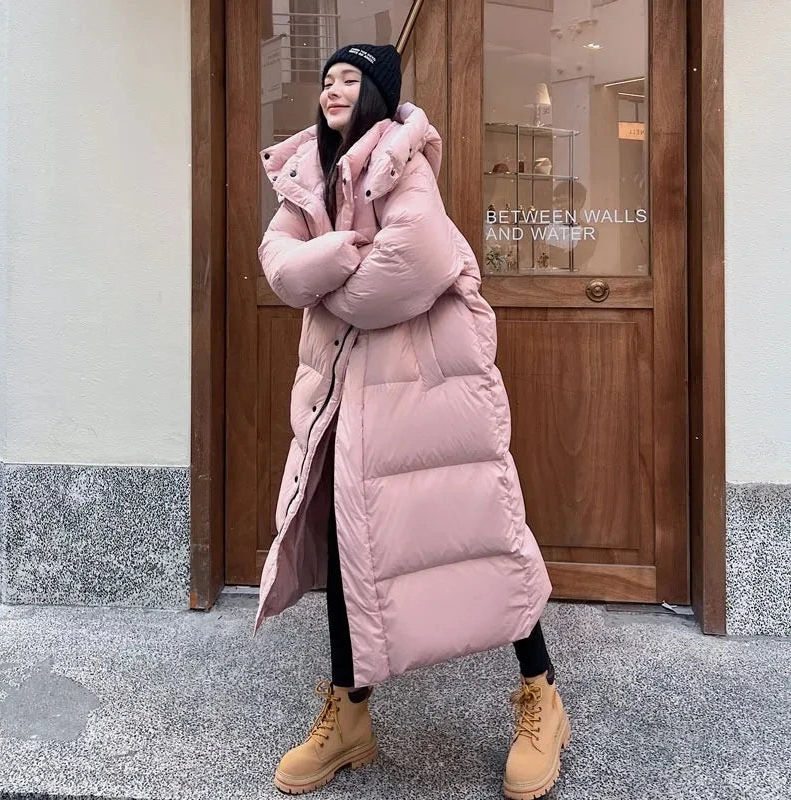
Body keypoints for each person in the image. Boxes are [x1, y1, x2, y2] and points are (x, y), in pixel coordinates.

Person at [254, 42, 571, 800]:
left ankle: (542, 696)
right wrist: (340, 254)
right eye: (327, 79)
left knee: (481, 534)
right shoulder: (306, 173)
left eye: (350, 79)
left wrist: (327, 277)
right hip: (344, 396)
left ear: (377, 94)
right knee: (342, 541)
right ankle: (349, 713)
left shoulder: (404, 161)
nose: (333, 89)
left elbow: (406, 272)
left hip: (427, 392)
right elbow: (279, 263)